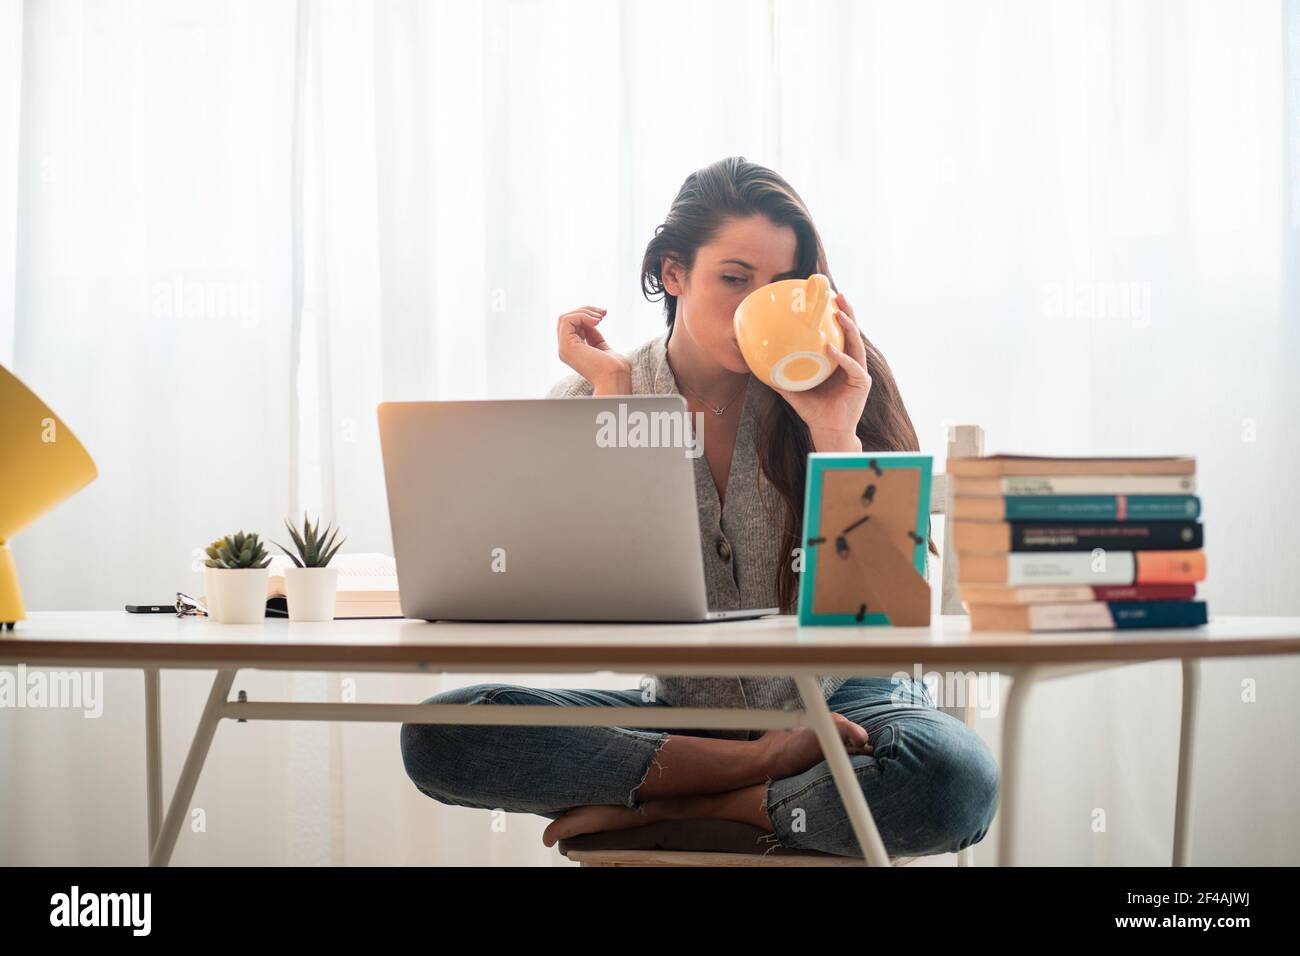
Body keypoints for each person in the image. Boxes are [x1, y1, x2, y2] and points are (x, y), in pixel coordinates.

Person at [399, 156, 999, 859]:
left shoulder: (846, 382)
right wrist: (613, 406)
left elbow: (884, 619)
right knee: (443, 733)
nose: (755, 306)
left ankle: (680, 808)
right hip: (681, 718)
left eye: (781, 286)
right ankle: (751, 780)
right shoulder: (596, 396)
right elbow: (576, 599)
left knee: (952, 779)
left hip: (849, 705)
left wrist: (835, 433)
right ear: (673, 272)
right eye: (735, 279)